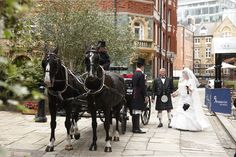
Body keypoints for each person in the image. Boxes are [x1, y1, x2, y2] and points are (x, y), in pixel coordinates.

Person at [131, 57, 149, 133]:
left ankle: (134, 127)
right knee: (137, 111)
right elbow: (142, 87)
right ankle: (136, 128)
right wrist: (145, 96)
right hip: (139, 95)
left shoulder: (134, 73)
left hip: (134, 94)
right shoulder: (141, 74)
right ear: (142, 66)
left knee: (134, 111)